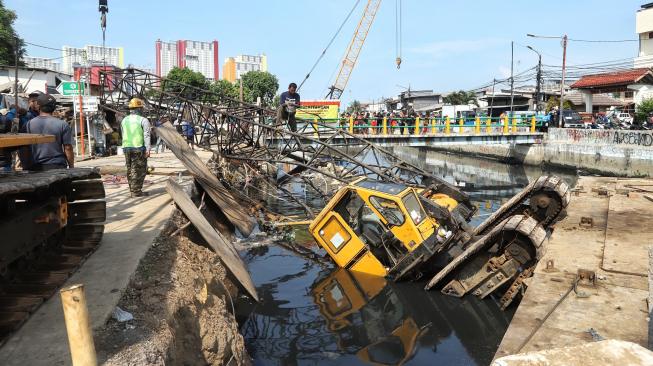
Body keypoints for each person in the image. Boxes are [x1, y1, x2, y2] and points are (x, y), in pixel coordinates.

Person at [23, 94, 74, 170]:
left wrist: (26, 166)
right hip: (58, 165)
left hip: (35, 167)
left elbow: (24, 148)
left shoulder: (28, 125)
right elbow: (68, 148)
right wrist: (71, 166)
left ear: (38, 106)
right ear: (54, 108)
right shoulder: (63, 124)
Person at [121, 97, 151, 197]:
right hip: (138, 148)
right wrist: (148, 149)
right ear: (139, 109)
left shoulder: (124, 120)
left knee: (130, 169)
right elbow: (146, 135)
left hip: (126, 148)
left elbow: (123, 133)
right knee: (139, 170)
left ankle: (133, 190)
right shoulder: (143, 120)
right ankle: (136, 191)